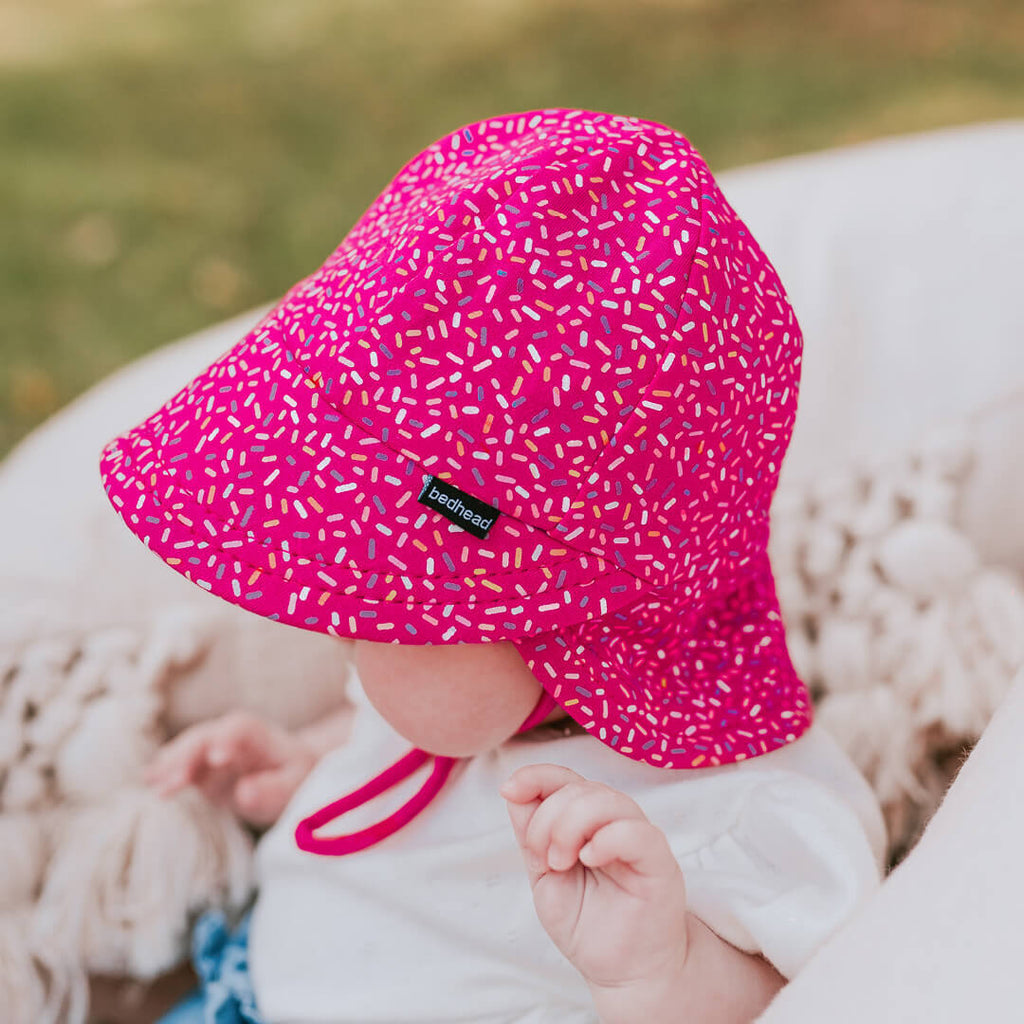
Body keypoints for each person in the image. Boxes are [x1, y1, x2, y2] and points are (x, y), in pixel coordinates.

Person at [100, 108, 887, 1023]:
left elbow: (809, 999)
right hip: (242, 986)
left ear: (569, 633)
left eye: (375, 608)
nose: (333, 628)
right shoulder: (474, 692)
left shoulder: (737, 819)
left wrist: (658, 972)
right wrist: (307, 760)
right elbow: (420, 743)